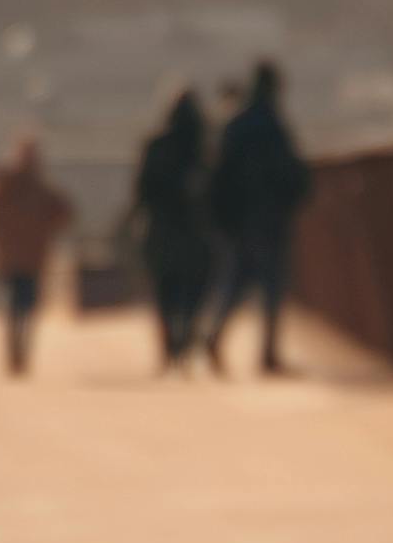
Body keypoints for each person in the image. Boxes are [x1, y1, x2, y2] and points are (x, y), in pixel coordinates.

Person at [203, 58, 314, 378]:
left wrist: (224, 216)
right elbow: (289, 168)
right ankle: (268, 354)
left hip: (240, 219)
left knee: (238, 282)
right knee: (272, 286)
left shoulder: (235, 123)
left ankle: (214, 336)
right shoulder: (272, 123)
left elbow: (219, 174)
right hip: (269, 217)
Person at [0, 126, 83, 376]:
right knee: (25, 304)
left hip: (12, 257)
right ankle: (19, 351)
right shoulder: (36, 187)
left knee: (15, 304)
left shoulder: (7, 184)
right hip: (30, 258)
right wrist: (46, 231)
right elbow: (65, 211)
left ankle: (16, 351)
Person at [129, 84, 214, 370]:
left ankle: (169, 345)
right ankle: (185, 337)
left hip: (161, 229)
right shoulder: (203, 147)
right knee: (194, 289)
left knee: (165, 291)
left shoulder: (156, 144)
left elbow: (142, 189)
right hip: (195, 230)